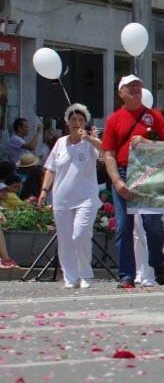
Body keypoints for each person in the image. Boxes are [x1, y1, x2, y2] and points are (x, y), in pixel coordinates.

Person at [102, 74, 164, 288]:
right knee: (124, 227)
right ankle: (126, 275)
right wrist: (117, 181)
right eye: (130, 86)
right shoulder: (114, 119)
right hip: (124, 173)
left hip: (148, 174)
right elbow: (109, 154)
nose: (135, 89)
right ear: (121, 93)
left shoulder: (154, 116)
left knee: (153, 225)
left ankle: (157, 262)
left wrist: (147, 142)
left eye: (138, 86)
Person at [38, 103, 102, 289]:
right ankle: (70, 276)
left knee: (80, 233)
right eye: (73, 119)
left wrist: (91, 139)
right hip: (62, 198)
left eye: (81, 119)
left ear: (86, 123)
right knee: (65, 239)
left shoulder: (90, 142)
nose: (77, 122)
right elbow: (51, 169)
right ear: (67, 123)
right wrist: (44, 190)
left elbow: (105, 152)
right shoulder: (60, 143)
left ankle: (84, 274)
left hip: (86, 197)